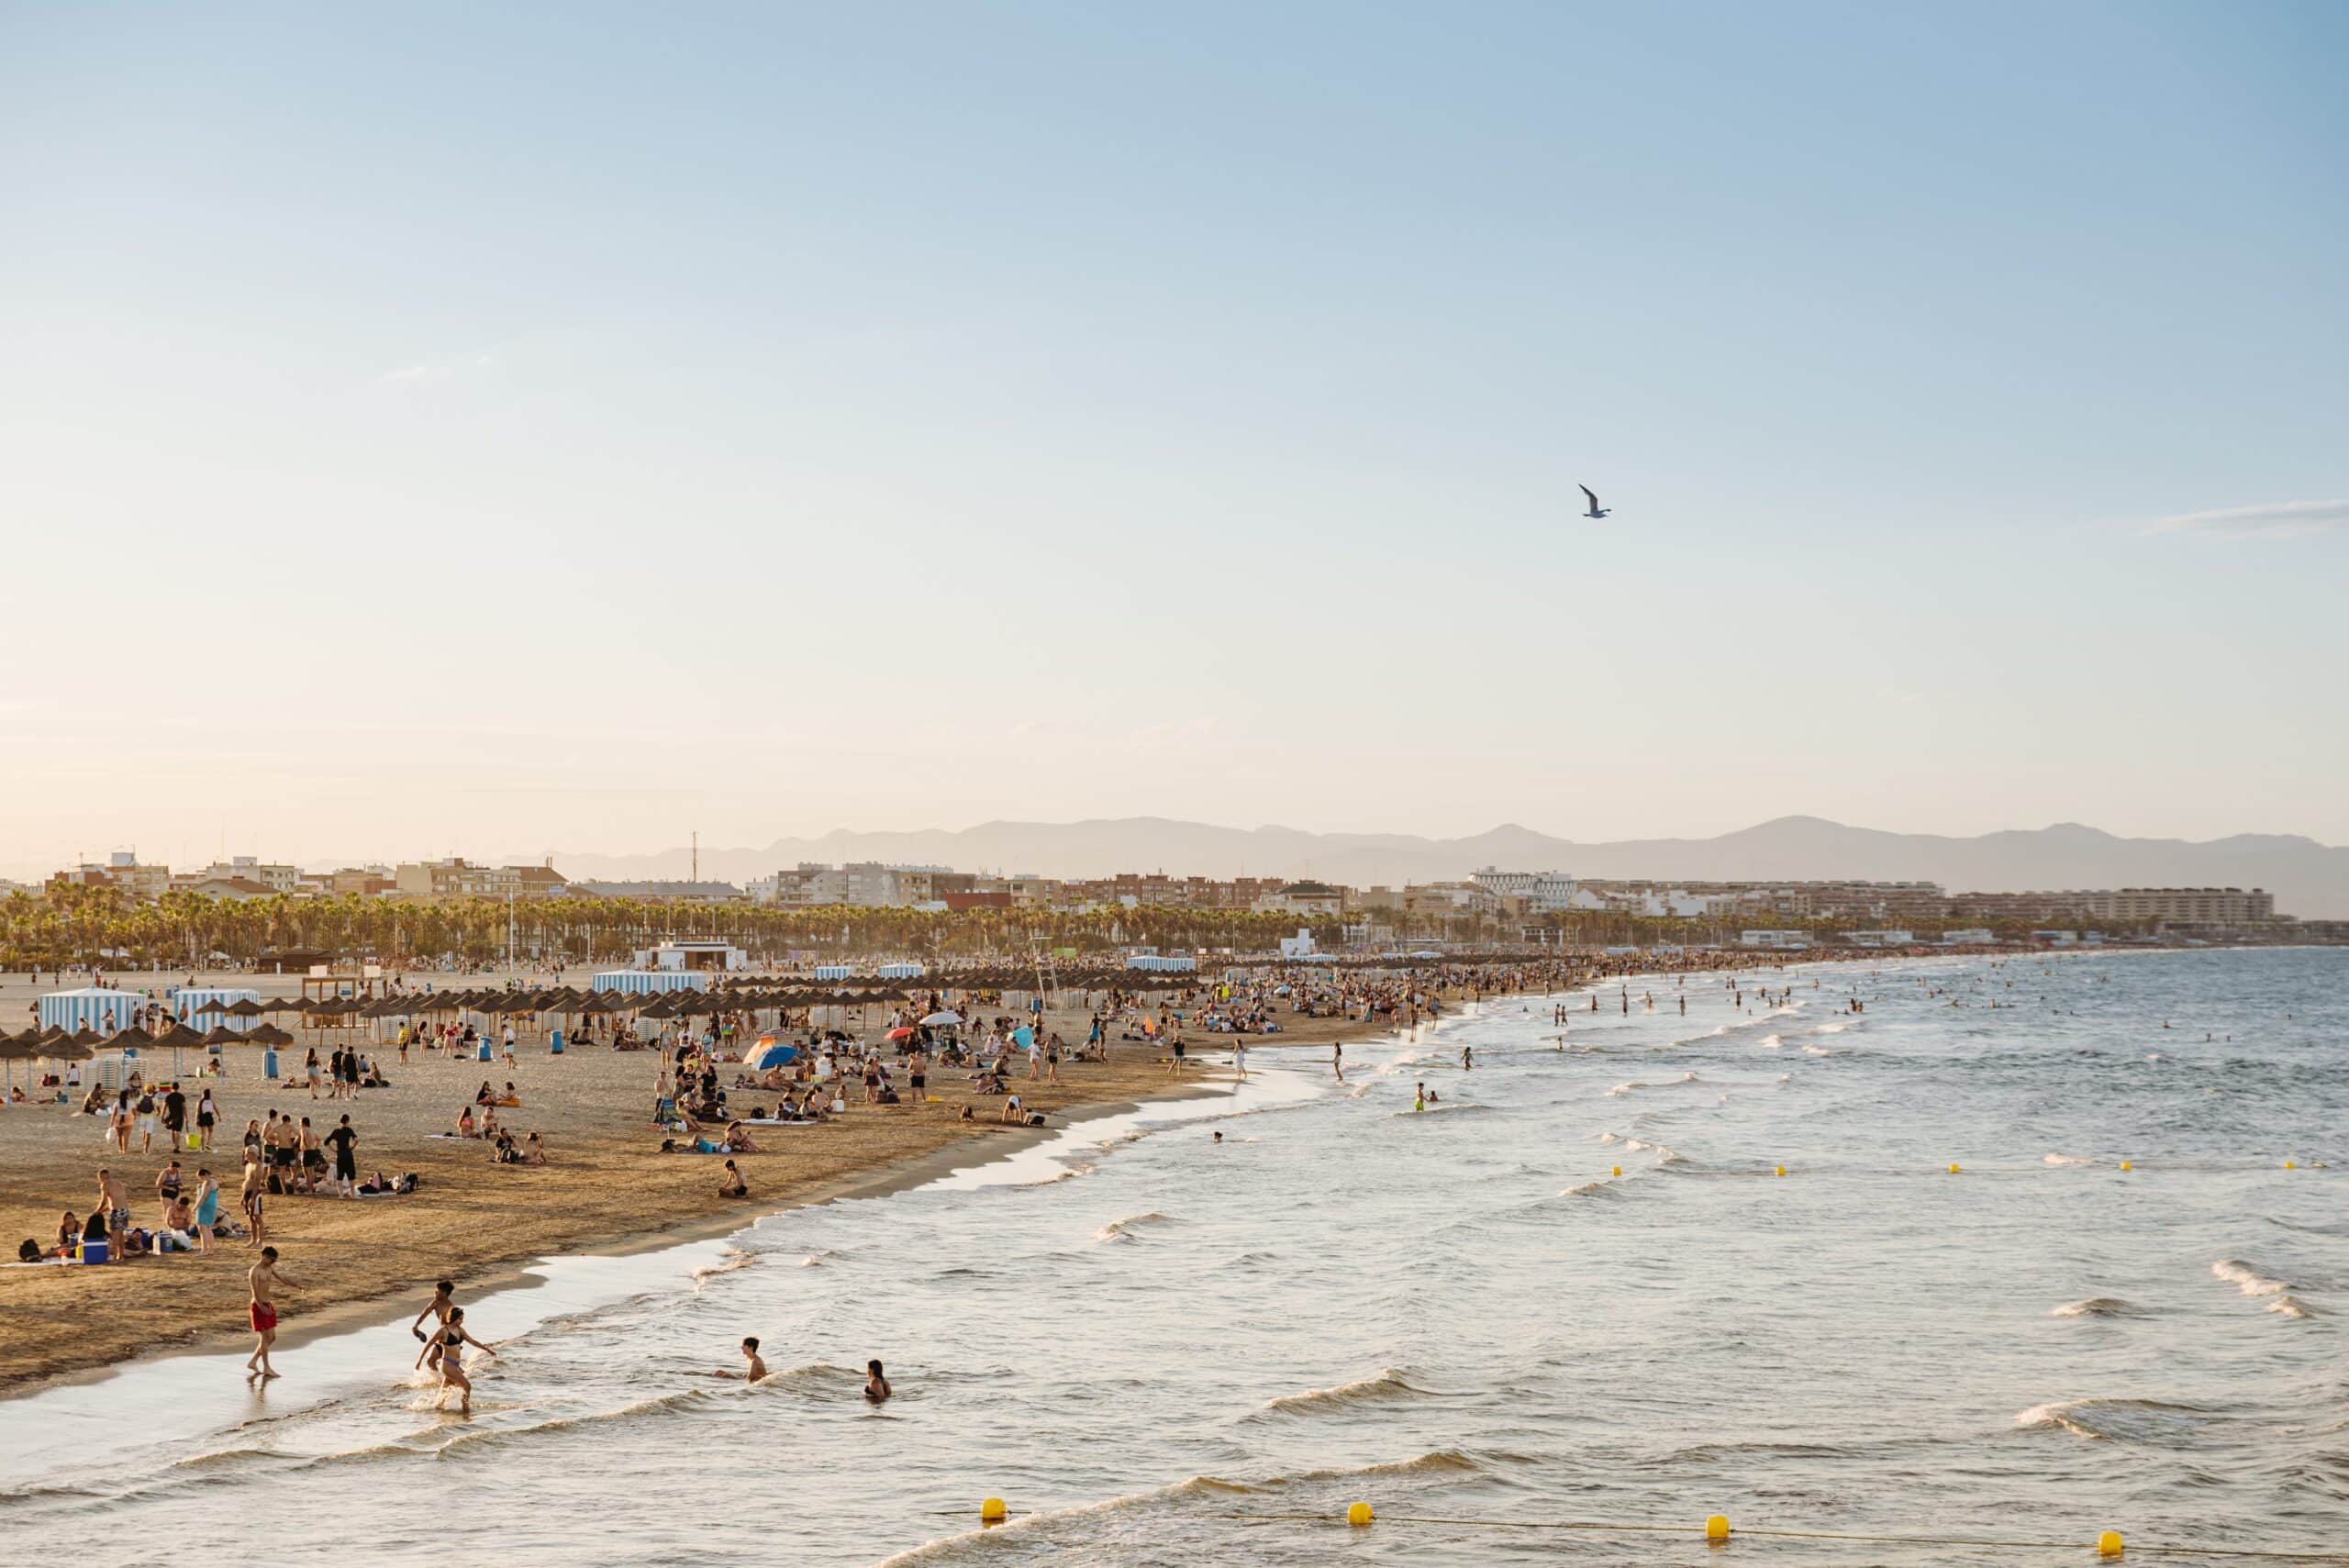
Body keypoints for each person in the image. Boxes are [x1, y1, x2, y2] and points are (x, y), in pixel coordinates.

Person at [418, 1306, 495, 1412]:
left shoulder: (460, 1331)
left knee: (446, 1391)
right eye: (460, 1319)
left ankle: (437, 1408)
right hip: (447, 1365)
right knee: (467, 1386)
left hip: (455, 1365)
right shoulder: (443, 1331)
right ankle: (466, 1410)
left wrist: (488, 1350)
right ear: (453, 1318)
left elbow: (473, 1342)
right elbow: (428, 1345)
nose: (461, 1322)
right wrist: (419, 1361)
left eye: (462, 1319)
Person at [246, 1246, 294, 1378]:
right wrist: (261, 1307)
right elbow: (254, 1292)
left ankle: (253, 1362)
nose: (272, 1263)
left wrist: (296, 1285)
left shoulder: (269, 1268)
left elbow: (282, 1279)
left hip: (268, 1304)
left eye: (274, 1261)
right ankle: (266, 1367)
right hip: (258, 1306)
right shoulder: (254, 1271)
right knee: (264, 1338)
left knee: (272, 1337)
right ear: (264, 1256)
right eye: (271, 1260)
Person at [325, 1114, 359, 1198]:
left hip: (339, 1154)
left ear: (340, 1121)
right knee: (351, 1175)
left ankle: (341, 1195)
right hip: (348, 1154)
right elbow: (357, 1139)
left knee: (340, 1176)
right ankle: (353, 1195)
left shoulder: (336, 1131)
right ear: (348, 1121)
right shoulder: (349, 1130)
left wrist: (334, 1150)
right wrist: (353, 1147)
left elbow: (326, 1142)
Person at [191, 1166, 220, 1256]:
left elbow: (203, 1196)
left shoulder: (207, 1183)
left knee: (202, 1228)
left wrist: (195, 1207)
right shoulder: (214, 1181)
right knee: (208, 1228)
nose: (201, 1179)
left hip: (204, 1206)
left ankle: (204, 1250)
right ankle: (210, 1249)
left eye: (201, 1177)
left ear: (206, 1175)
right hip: (212, 1205)